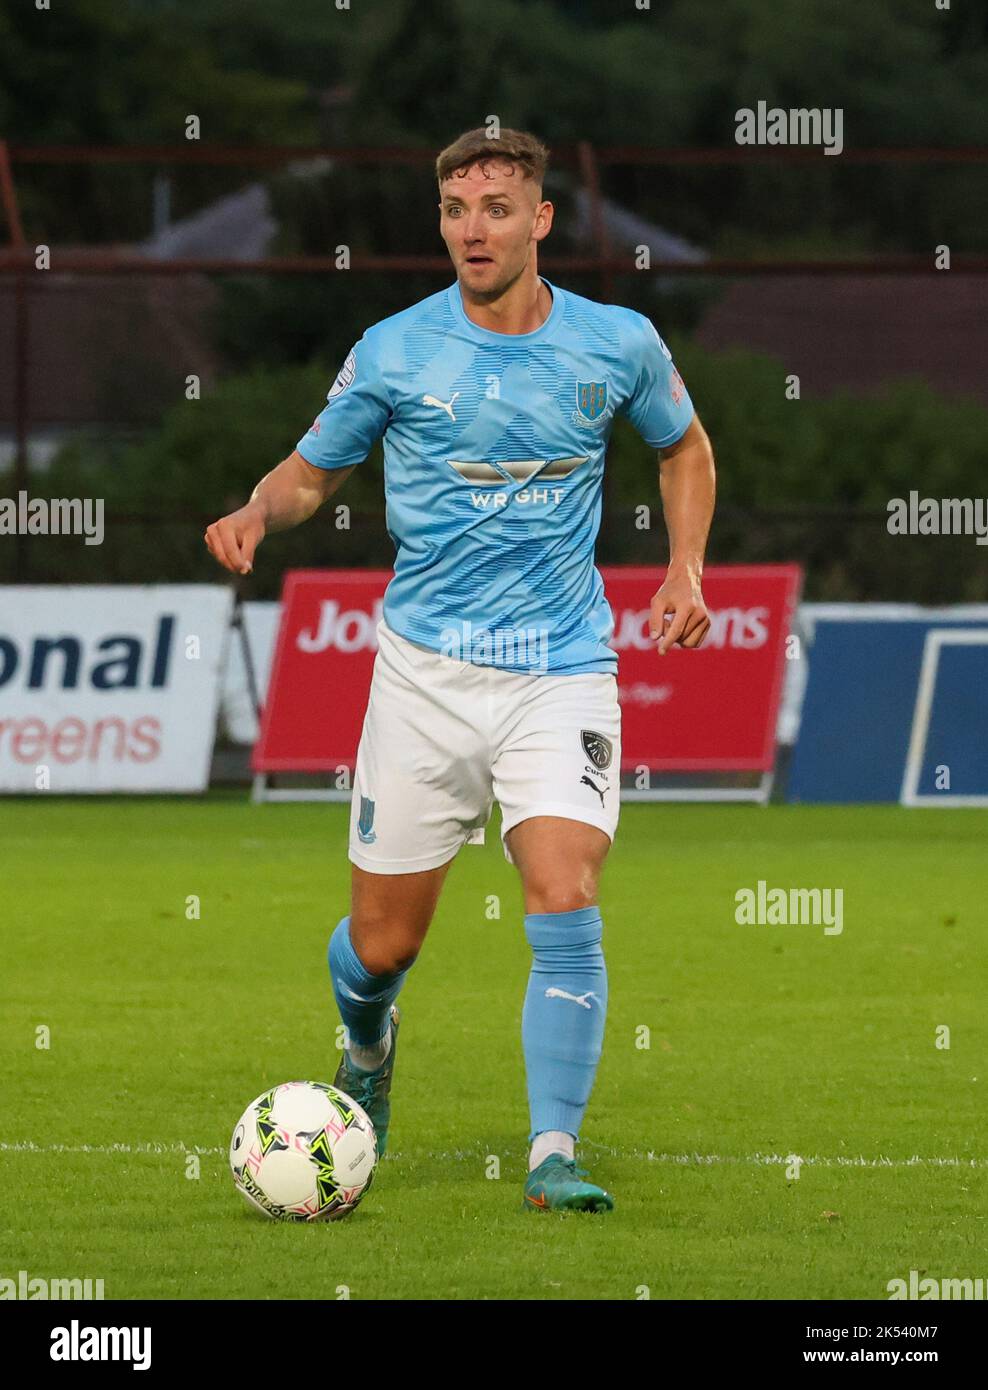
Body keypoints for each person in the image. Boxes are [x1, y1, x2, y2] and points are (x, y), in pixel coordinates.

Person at [205, 126, 715, 1212]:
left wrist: (684, 566)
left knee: (564, 889)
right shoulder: (394, 348)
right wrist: (258, 507)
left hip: (561, 669)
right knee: (383, 944)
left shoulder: (615, 341)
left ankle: (551, 1152)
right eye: (453, 209)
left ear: (541, 220)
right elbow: (309, 473)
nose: (471, 229)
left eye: (494, 207)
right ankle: (367, 1041)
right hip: (424, 679)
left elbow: (683, 445)